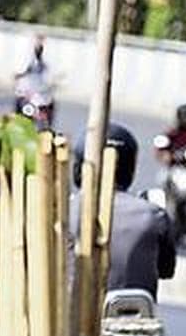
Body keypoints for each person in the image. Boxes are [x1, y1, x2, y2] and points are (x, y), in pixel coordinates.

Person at [71, 124, 177, 298]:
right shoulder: (153, 215)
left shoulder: (62, 214)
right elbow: (166, 270)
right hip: (135, 315)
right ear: (130, 168)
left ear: (79, 168)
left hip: (72, 316)